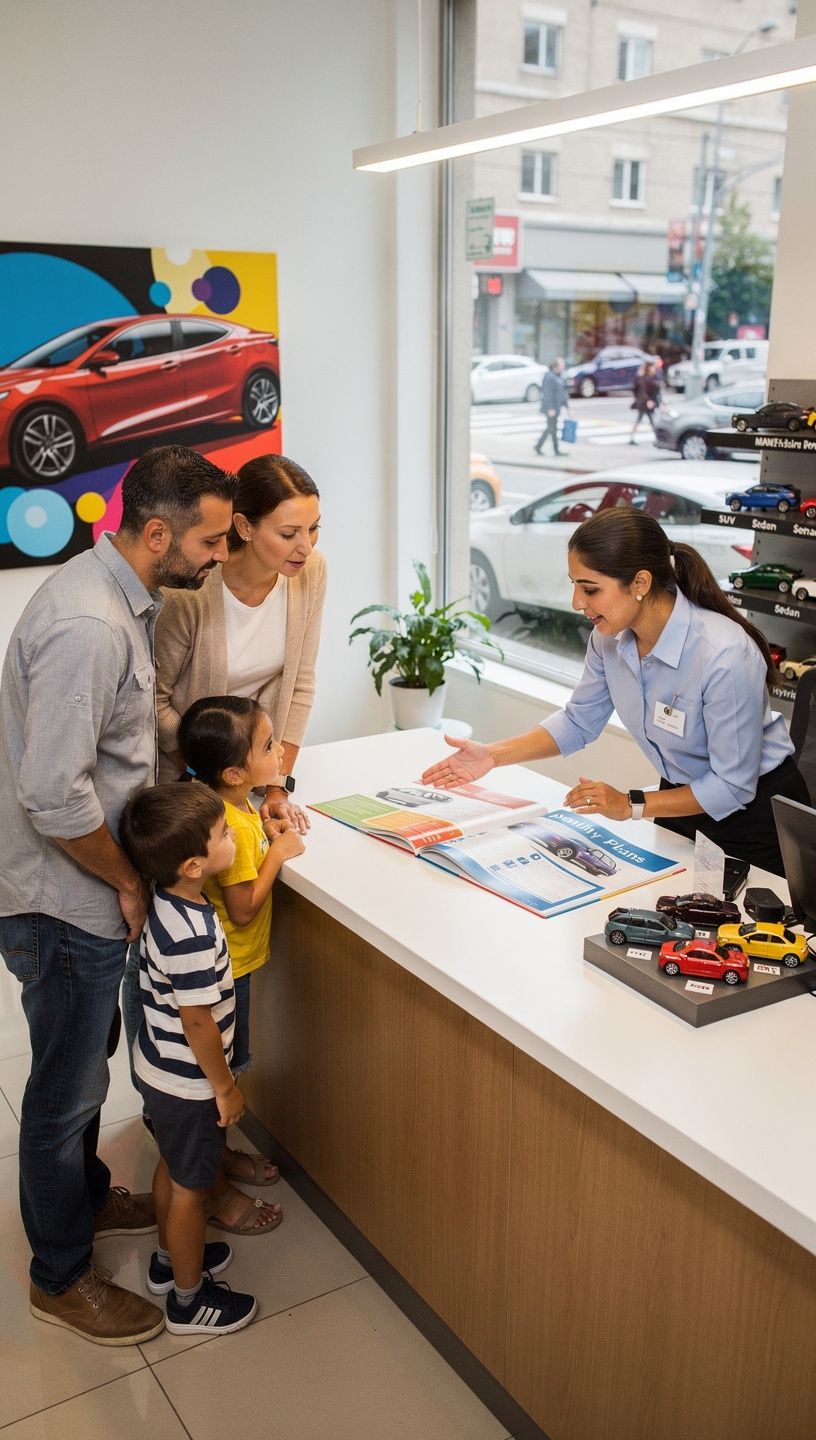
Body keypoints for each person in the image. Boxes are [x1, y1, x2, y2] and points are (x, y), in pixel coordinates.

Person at [0, 444, 236, 1345]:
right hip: (63, 899)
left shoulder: (122, 598)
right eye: (210, 542)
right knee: (63, 1094)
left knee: (86, 1074)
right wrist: (130, 882)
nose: (218, 557)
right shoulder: (91, 626)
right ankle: (59, 1277)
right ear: (158, 534)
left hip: (85, 889)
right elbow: (54, 797)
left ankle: (89, 1199)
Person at [121, 454, 324, 1215]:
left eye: (314, 530)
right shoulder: (191, 591)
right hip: (192, 788)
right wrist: (214, 775)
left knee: (222, 1002)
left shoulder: (310, 576)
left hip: (244, 777)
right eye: (288, 532)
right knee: (187, 994)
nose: (305, 547)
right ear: (242, 526)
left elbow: (297, 686)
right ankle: (192, 1163)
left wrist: (270, 787)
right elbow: (155, 702)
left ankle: (211, 1147)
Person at [422, 508, 809, 876]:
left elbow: (732, 785)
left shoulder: (724, 654)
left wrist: (630, 804)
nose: (577, 603)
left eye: (590, 589)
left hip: (756, 817)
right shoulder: (608, 640)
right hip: (680, 802)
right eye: (575, 585)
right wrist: (493, 755)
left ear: (640, 583)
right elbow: (578, 722)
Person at [118, 782, 260, 1335]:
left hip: (160, 1071)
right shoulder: (193, 934)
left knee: (173, 1168)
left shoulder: (168, 900)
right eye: (224, 833)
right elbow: (198, 1023)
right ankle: (187, 1300)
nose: (233, 838)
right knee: (191, 1188)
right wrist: (225, 1087)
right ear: (195, 865)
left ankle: (167, 1260)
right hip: (191, 1083)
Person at [178, 694, 305, 1108]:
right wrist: (278, 853)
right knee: (227, 1058)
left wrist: (265, 834)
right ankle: (217, 1129)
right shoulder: (232, 825)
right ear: (233, 773)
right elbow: (243, 909)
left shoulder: (229, 805)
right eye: (268, 746)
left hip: (226, 964)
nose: (281, 750)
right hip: (231, 967)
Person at [534, 358, 570, 457]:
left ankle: (539, 446)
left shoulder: (558, 376)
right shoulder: (550, 377)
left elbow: (561, 393)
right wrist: (550, 408)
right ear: (556, 366)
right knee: (552, 428)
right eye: (562, 364)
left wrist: (567, 407)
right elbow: (547, 394)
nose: (563, 366)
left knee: (551, 428)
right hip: (551, 409)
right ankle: (554, 449)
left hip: (556, 408)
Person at [629, 362, 661, 443]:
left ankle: (632, 438)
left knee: (642, 420)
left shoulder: (652, 377)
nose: (654, 369)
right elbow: (642, 392)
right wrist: (648, 401)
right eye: (653, 367)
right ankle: (658, 438)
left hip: (646, 403)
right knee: (652, 421)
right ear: (649, 368)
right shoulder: (644, 378)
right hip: (645, 403)